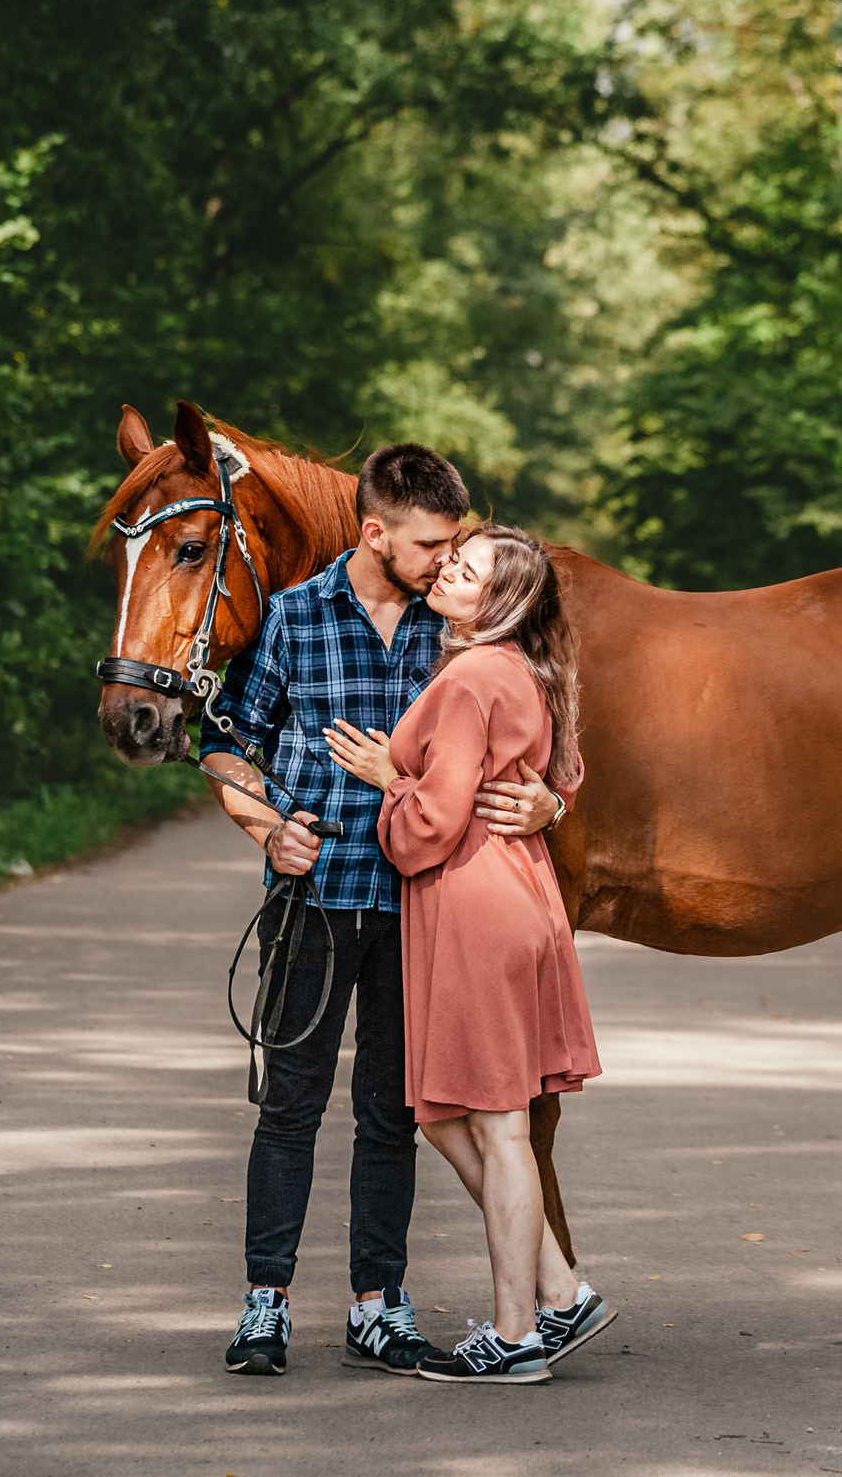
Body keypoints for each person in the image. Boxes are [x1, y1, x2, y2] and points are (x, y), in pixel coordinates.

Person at [200, 444, 565, 1379]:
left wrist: (551, 803)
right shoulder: (292, 617)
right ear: (376, 533)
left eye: (458, 549)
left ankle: (380, 1306)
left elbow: (541, 743)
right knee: (287, 1108)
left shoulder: (462, 638)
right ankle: (264, 1305)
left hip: (422, 912)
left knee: (391, 1116)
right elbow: (224, 743)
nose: (448, 563)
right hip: (311, 900)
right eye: (433, 545)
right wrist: (264, 829)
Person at [326, 524, 614, 1385]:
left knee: (496, 1124)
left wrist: (388, 785)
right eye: (451, 557)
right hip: (511, 893)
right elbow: (562, 778)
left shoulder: (469, 679)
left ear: (503, 601)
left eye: (470, 567)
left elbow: (430, 827)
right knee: (445, 1114)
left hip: (473, 901)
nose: (449, 568)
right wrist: (550, 810)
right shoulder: (523, 671)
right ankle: (561, 1292)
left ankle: (517, 1335)